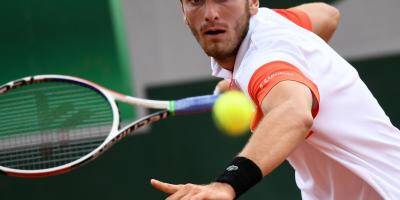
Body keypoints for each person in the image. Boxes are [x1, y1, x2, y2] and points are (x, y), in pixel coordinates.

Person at [151, 0, 400, 199]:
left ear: (252, 3)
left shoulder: (262, 59)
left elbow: (293, 111)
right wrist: (290, 65)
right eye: (196, 1)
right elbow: (327, 14)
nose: (211, 13)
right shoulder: (273, 22)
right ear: (183, 12)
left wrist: (227, 185)